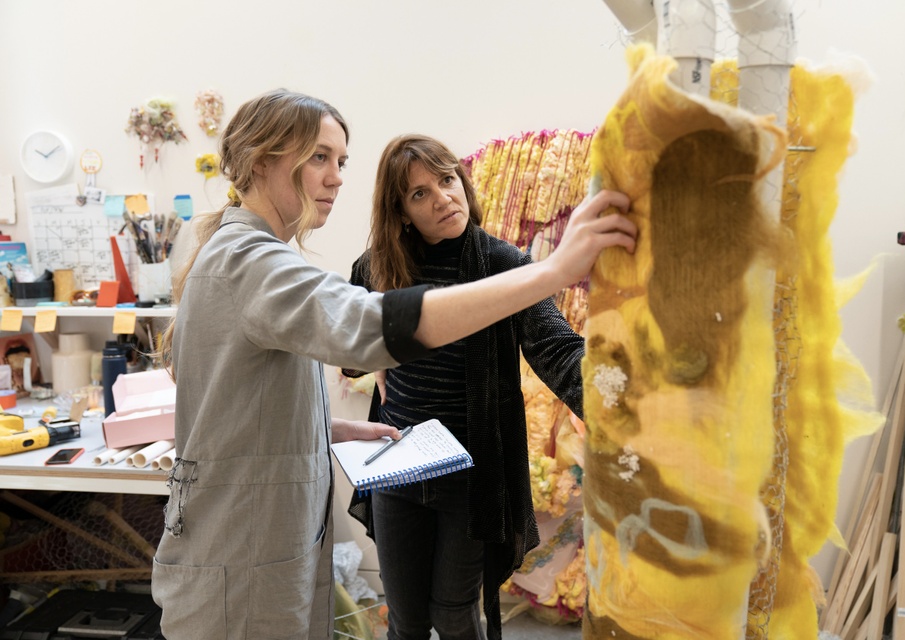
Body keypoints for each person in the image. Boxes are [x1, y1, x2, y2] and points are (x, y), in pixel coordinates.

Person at [149, 90, 636, 640]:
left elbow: (243, 395)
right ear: (263, 161)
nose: (335, 178)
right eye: (318, 158)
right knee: (405, 618)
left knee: (454, 612)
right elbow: (366, 327)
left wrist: (320, 426)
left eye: (341, 162)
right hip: (248, 553)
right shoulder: (255, 261)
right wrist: (553, 271)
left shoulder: (257, 255)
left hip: (441, 481)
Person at [345, 134, 591, 640]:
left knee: (454, 614)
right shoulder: (376, 268)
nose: (442, 198)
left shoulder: (503, 264)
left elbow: (559, 351)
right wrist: (370, 354)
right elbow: (349, 355)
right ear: (400, 211)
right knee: (407, 619)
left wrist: (625, 396)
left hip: (471, 474)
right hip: (399, 462)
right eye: (419, 194)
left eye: (446, 179)